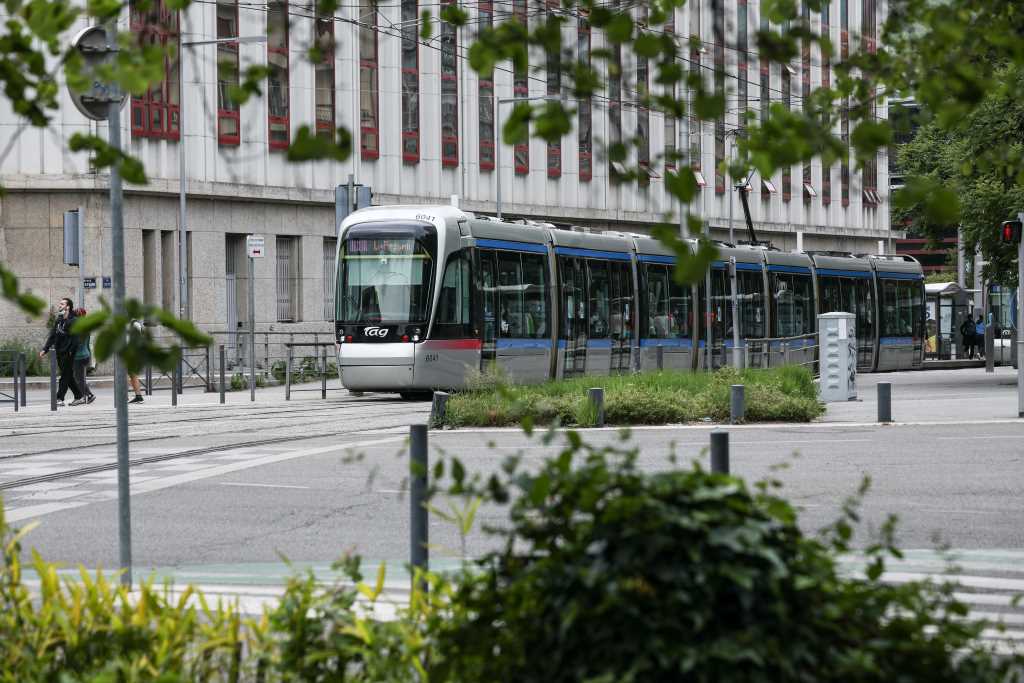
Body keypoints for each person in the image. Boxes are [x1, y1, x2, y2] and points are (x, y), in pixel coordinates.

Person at [39, 297, 82, 406]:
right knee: (68, 375)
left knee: (64, 375)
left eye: (62, 304)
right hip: (59, 351)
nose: (60, 306)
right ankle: (79, 396)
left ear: (68, 307)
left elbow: (76, 339)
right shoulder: (59, 320)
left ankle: (59, 398)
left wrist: (71, 351)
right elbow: (52, 336)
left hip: (68, 353)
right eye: (60, 304)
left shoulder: (74, 320)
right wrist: (45, 349)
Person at [72, 308, 96, 404]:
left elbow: (78, 343)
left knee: (78, 378)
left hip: (79, 356)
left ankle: (87, 395)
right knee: (79, 377)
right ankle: (85, 396)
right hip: (85, 355)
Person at [127, 318, 144, 404]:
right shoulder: (128, 324)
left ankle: (138, 396)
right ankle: (138, 396)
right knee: (132, 375)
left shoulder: (135, 324)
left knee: (132, 374)